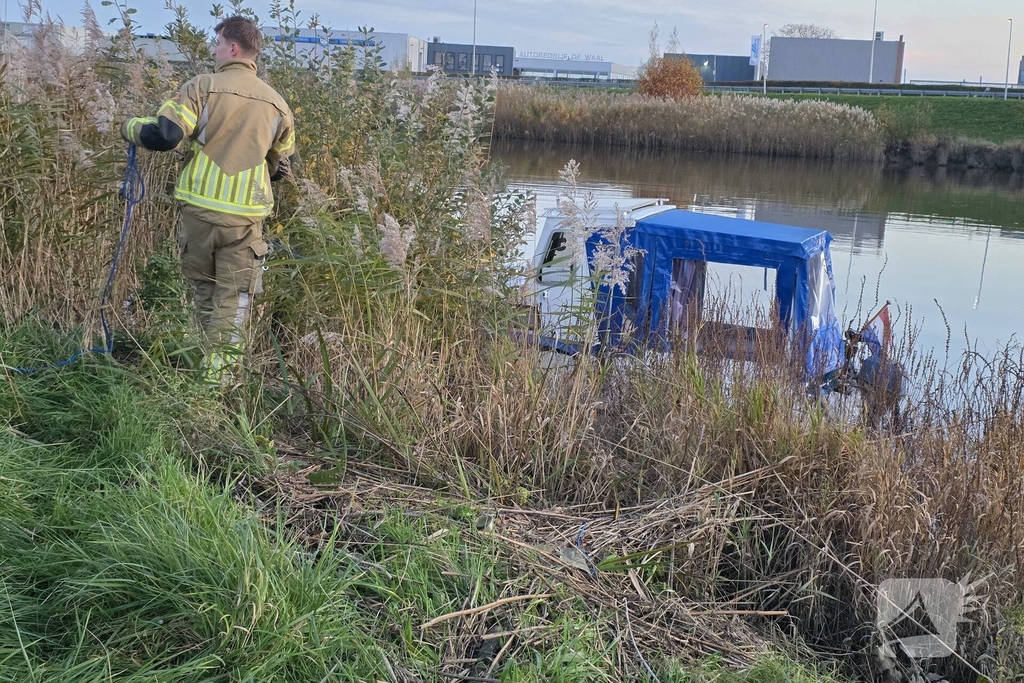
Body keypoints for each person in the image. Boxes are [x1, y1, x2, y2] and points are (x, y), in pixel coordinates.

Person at [121, 16, 295, 382]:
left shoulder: (202, 86)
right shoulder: (278, 105)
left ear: (232, 47)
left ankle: (203, 361)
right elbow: (282, 168)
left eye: (217, 43)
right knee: (235, 297)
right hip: (245, 220)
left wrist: (131, 128)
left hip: (200, 211)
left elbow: (166, 135)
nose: (214, 50)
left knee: (203, 289)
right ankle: (218, 379)